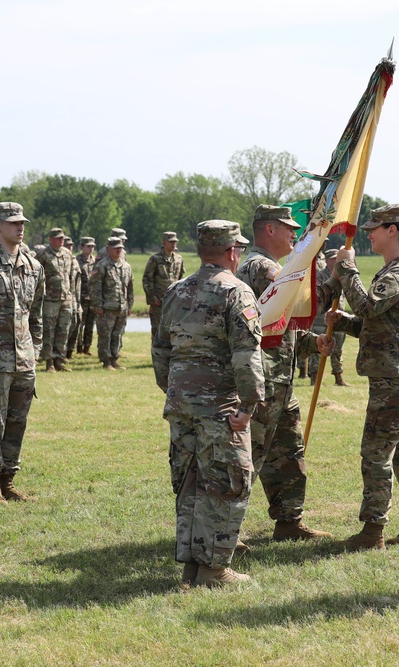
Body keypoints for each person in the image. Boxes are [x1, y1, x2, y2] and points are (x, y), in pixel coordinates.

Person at [152, 220, 264, 588]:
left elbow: (160, 349)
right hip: (220, 407)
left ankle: (192, 566)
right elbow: (246, 356)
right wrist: (248, 406)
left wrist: (174, 390)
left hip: (181, 404)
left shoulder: (176, 290)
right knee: (228, 484)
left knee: (191, 482)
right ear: (232, 252)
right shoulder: (236, 292)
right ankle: (214, 570)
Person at [324, 204, 399, 550]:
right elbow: (377, 324)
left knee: (375, 453)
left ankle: (373, 532)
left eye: (375, 228)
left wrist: (346, 269)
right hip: (398, 374)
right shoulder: (391, 271)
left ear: (393, 230)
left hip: (396, 377)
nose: (369, 233)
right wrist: (341, 321)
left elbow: (369, 306)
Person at [236, 205, 331, 543]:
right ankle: (226, 531)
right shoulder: (261, 267)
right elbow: (300, 296)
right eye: (287, 227)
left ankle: (290, 521)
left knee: (288, 454)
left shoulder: (273, 267)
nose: (294, 232)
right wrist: (316, 251)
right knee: (251, 456)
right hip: (262, 382)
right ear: (269, 231)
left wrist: (312, 342)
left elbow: (280, 327)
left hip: (280, 382)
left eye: (297, 227)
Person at [0, 202, 45, 504]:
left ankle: (9, 481)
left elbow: (37, 316)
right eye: (12, 222)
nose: (20, 227)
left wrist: (35, 350)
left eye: (22, 222)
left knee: (18, 422)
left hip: (24, 360)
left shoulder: (34, 266)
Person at [90, 237, 134, 370]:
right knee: (105, 334)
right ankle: (106, 361)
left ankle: (114, 358)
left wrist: (129, 306)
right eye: (115, 248)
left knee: (117, 334)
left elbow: (130, 288)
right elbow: (95, 287)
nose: (118, 250)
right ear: (108, 249)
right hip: (107, 307)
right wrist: (98, 306)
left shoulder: (126, 266)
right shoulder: (102, 265)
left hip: (121, 307)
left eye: (120, 247)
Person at [308, 248, 349, 386]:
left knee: (338, 349)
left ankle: (338, 377)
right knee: (317, 347)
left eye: (337, 259)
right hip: (321, 319)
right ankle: (314, 377)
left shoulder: (343, 277)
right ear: (327, 261)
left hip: (339, 319)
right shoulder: (320, 276)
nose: (335, 261)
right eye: (333, 259)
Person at [36, 228, 76, 373]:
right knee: (49, 330)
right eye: (58, 238)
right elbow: (37, 277)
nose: (61, 241)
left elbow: (71, 276)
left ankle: (60, 360)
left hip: (66, 298)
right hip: (50, 299)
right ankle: (49, 361)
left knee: (63, 330)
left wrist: (71, 295)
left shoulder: (67, 254)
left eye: (62, 238)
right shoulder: (43, 255)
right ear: (51, 239)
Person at [143, 231, 185, 342]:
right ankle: (157, 357)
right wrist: (152, 298)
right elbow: (147, 280)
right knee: (157, 331)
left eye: (175, 241)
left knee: (173, 330)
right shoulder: (155, 259)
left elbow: (180, 279)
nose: (173, 244)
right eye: (171, 241)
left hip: (174, 302)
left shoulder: (179, 259)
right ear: (164, 242)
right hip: (159, 302)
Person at [74, 237, 96, 355]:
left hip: (92, 298)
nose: (91, 248)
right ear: (82, 247)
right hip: (81, 297)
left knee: (90, 324)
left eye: (92, 246)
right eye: (88, 246)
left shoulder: (96, 261)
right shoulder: (77, 260)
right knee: (79, 324)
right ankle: (78, 347)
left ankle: (87, 347)